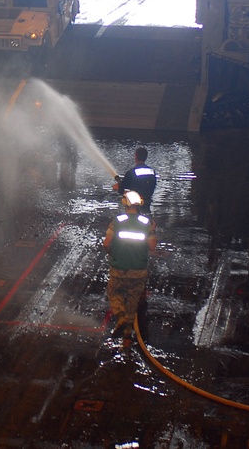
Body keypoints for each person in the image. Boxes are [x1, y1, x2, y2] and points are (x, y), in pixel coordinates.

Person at [103, 190, 158, 348]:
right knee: (132, 304)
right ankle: (127, 338)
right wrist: (153, 230)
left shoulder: (117, 221)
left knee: (114, 294)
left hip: (118, 268)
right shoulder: (147, 223)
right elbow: (152, 246)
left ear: (124, 204)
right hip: (138, 270)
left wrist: (112, 255)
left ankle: (120, 318)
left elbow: (106, 244)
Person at [113, 146, 158, 212]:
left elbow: (121, 189)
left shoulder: (131, 172)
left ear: (136, 156)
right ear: (146, 157)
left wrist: (117, 187)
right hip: (147, 204)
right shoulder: (152, 172)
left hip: (134, 205)